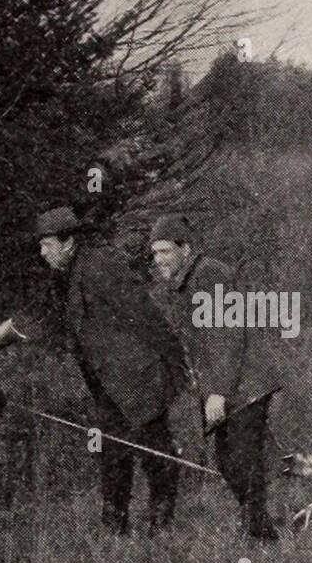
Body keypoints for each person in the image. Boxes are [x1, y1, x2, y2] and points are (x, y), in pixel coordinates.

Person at [35, 207, 186, 536]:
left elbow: (142, 312)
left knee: (154, 450)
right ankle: (114, 526)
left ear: (69, 242)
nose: (42, 253)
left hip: (136, 378)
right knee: (112, 451)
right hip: (108, 383)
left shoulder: (101, 265)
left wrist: (175, 359)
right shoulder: (72, 273)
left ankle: (161, 525)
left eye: (47, 245)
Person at [150, 215, 280, 541]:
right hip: (229, 384)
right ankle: (262, 531)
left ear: (186, 249)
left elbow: (227, 335)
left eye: (165, 251)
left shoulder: (209, 275)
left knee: (240, 461)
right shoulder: (188, 280)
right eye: (155, 254)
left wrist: (218, 392)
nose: (159, 260)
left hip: (244, 384)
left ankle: (262, 537)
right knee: (230, 461)